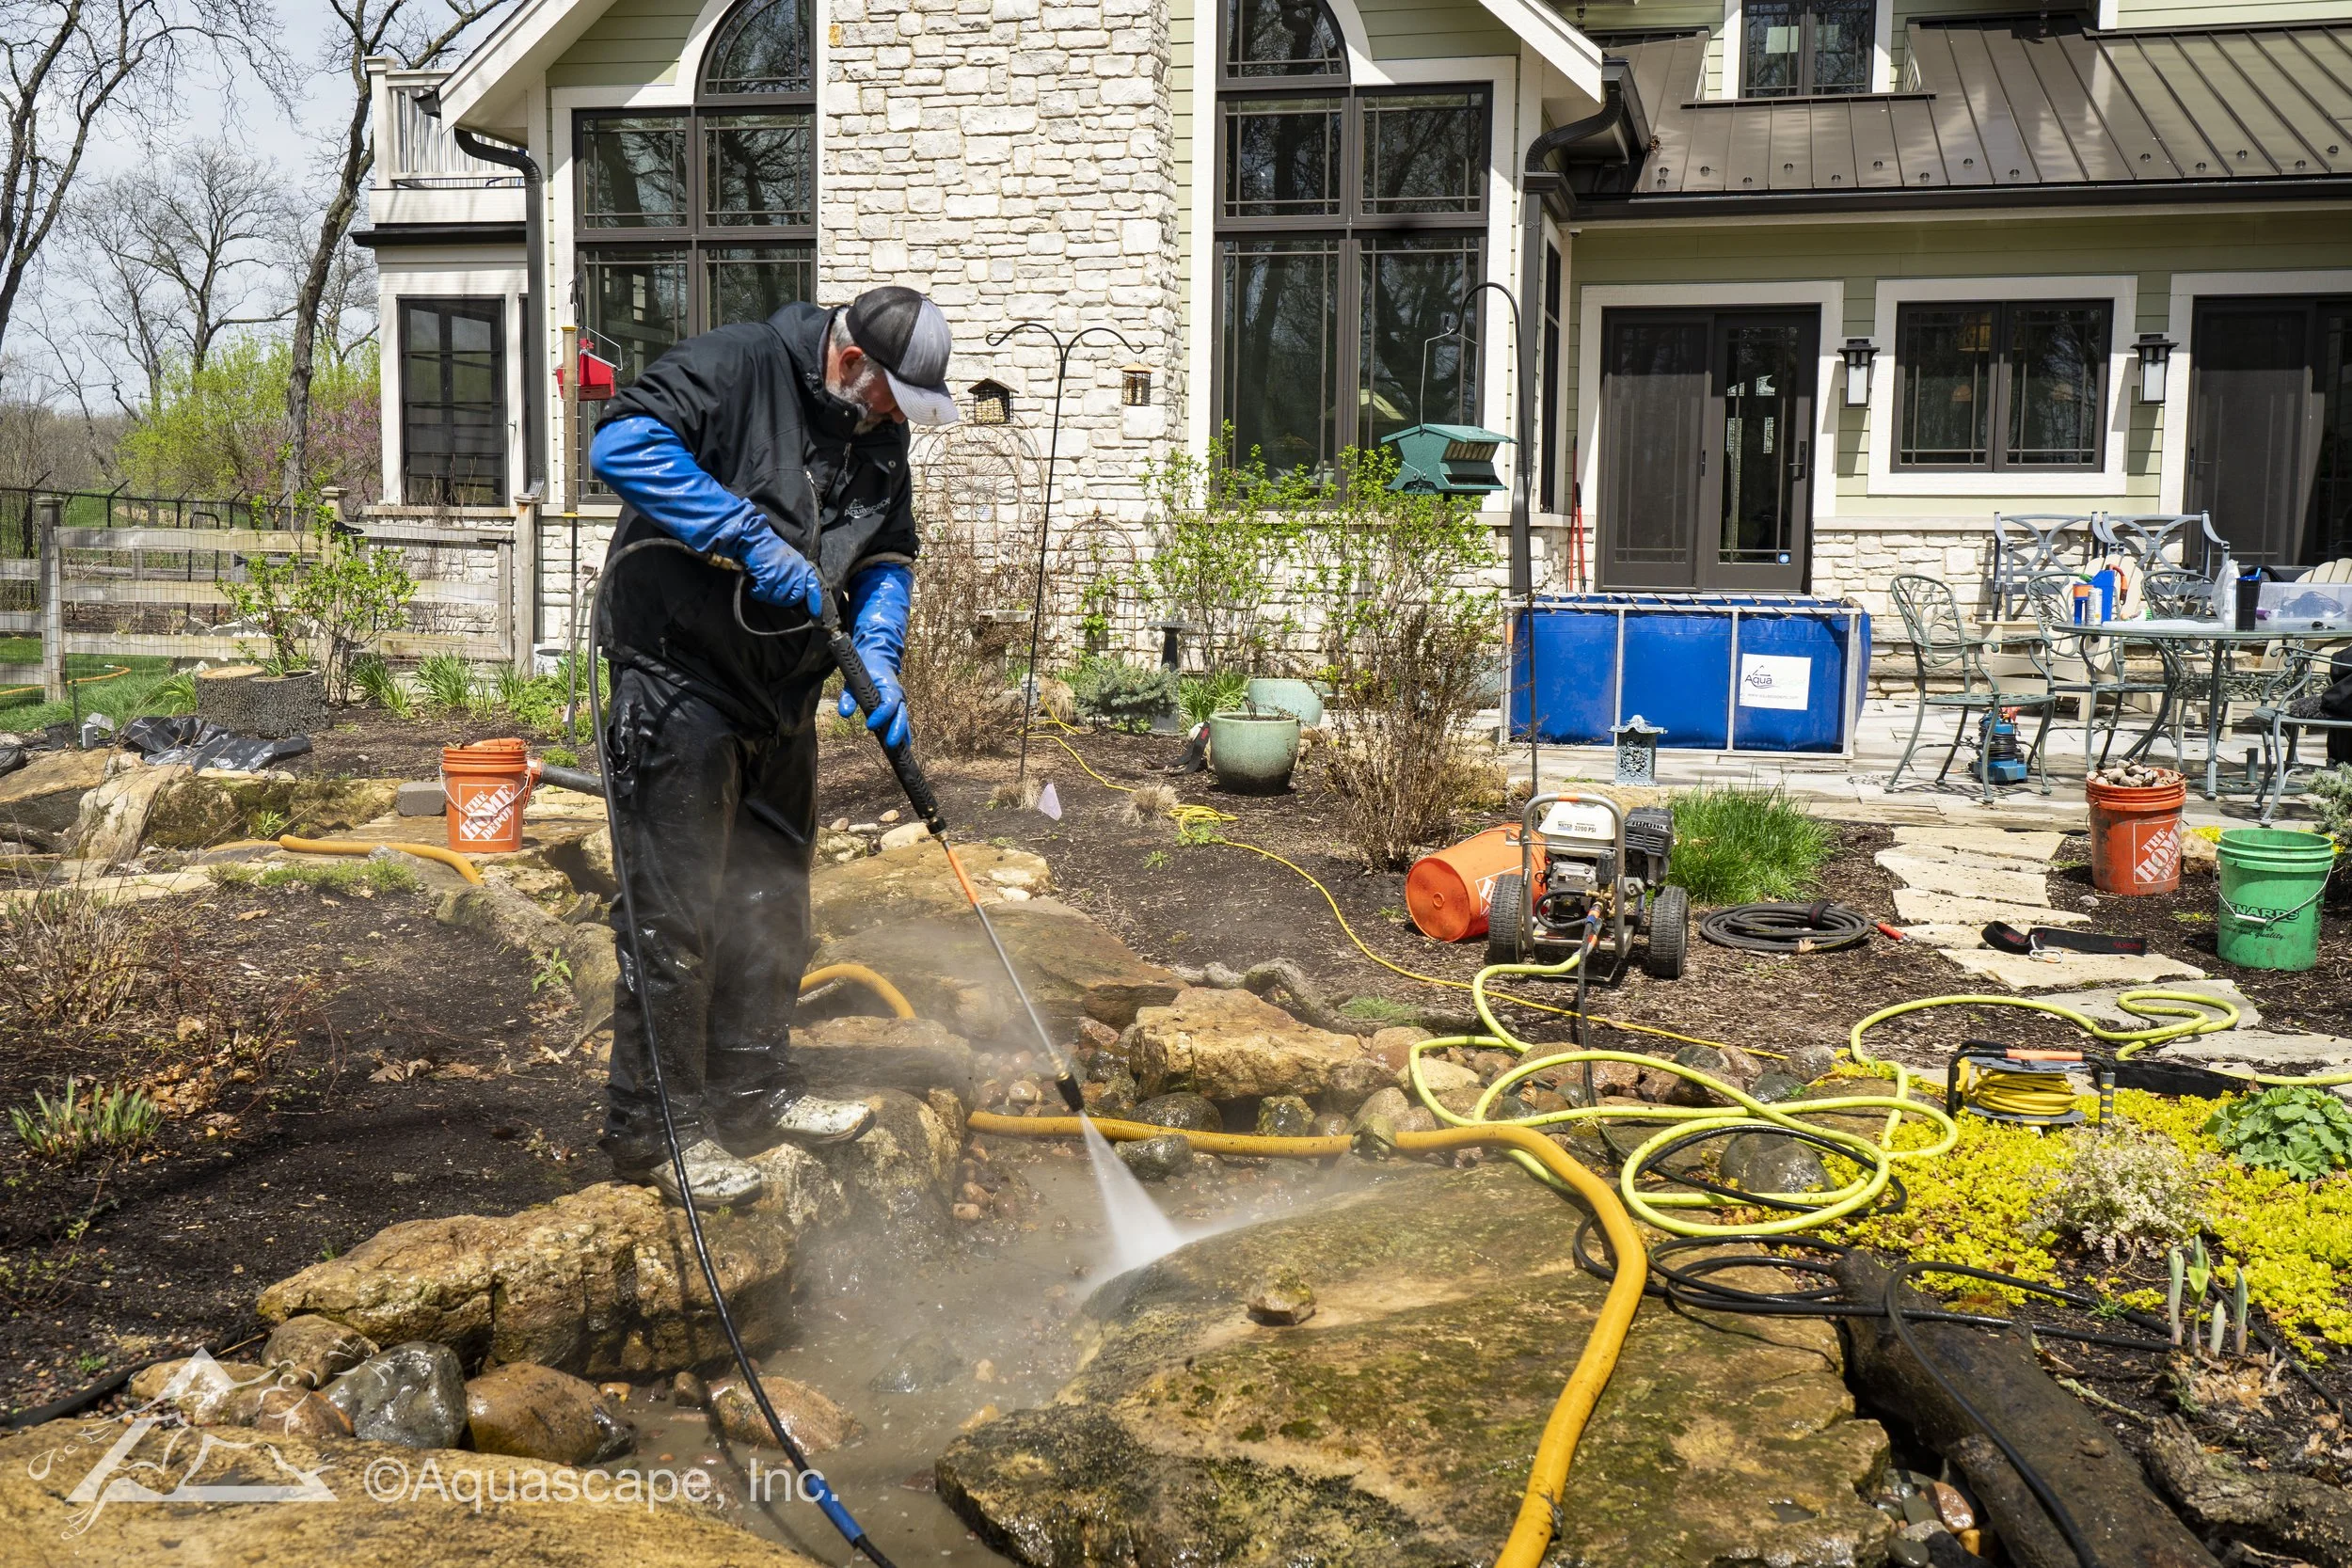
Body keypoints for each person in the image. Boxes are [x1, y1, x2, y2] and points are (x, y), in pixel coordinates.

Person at [585, 285, 959, 1209]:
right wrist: (744, 534)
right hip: (677, 674)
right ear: (849, 362)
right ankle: (657, 1131)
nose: (887, 420)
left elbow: (887, 553)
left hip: (778, 694)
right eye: (885, 398)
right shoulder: (739, 364)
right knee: (677, 916)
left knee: (772, 897)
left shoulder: (877, 433)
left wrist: (877, 653)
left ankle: (752, 1095)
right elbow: (621, 444)